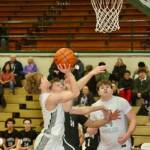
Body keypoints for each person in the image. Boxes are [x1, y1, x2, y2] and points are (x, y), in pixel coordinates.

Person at [24, 64, 80, 150]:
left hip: (57, 139)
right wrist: (69, 73)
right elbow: (75, 93)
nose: (46, 77)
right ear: (40, 85)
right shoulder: (50, 98)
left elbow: (67, 108)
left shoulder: (50, 95)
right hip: (48, 141)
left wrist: (68, 85)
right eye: (43, 78)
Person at [90, 80, 136, 150]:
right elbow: (93, 128)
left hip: (122, 145)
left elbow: (133, 119)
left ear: (112, 90)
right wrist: (91, 130)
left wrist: (127, 135)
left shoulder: (122, 101)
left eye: (107, 87)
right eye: (102, 88)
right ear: (98, 92)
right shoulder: (94, 106)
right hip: (104, 146)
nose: (105, 89)